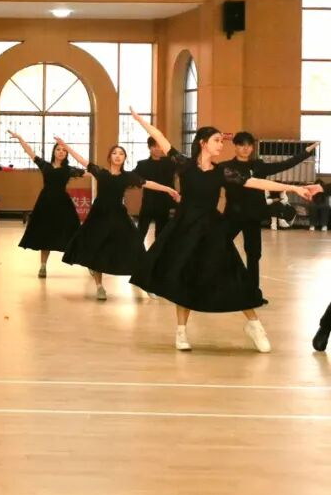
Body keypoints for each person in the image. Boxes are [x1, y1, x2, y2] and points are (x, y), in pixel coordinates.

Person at [127, 108, 322, 352]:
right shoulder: (184, 165)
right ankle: (181, 332)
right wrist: (140, 120)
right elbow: (160, 137)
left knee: (233, 273)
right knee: (183, 278)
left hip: (211, 229)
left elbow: (254, 182)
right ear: (203, 143)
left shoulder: (223, 172)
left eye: (221, 140)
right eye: (217, 140)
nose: (221, 144)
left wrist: (293, 189)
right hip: (185, 229)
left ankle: (254, 325)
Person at [57, 139, 179, 300]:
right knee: (97, 248)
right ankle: (99, 287)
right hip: (99, 216)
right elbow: (82, 160)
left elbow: (147, 183)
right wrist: (66, 147)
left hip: (118, 214)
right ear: (110, 157)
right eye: (114, 153)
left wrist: (168, 189)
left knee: (136, 246)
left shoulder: (128, 177)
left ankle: (146, 284)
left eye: (121, 154)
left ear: (124, 158)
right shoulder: (101, 173)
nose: (117, 156)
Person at [222, 133, 317, 293]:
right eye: (241, 145)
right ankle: (224, 285)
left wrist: (306, 152)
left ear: (252, 147)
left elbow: (284, 164)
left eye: (249, 145)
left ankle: (253, 291)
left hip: (253, 215)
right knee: (220, 246)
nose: (245, 148)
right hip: (232, 215)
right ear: (235, 146)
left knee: (254, 254)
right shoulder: (226, 167)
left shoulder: (258, 166)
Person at [7, 130, 85, 278]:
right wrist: (20, 138)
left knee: (74, 232)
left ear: (67, 154)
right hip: (45, 203)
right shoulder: (45, 165)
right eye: (58, 149)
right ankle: (43, 266)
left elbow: (90, 172)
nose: (61, 152)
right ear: (54, 152)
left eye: (64, 150)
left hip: (63, 204)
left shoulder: (69, 170)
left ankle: (87, 263)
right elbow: (29, 151)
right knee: (45, 234)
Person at [133, 136, 178, 244]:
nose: (158, 149)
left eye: (159, 146)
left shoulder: (170, 163)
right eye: (155, 146)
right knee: (141, 231)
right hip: (148, 203)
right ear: (149, 147)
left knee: (161, 234)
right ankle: (136, 252)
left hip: (164, 203)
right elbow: (132, 178)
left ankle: (157, 254)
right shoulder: (142, 164)